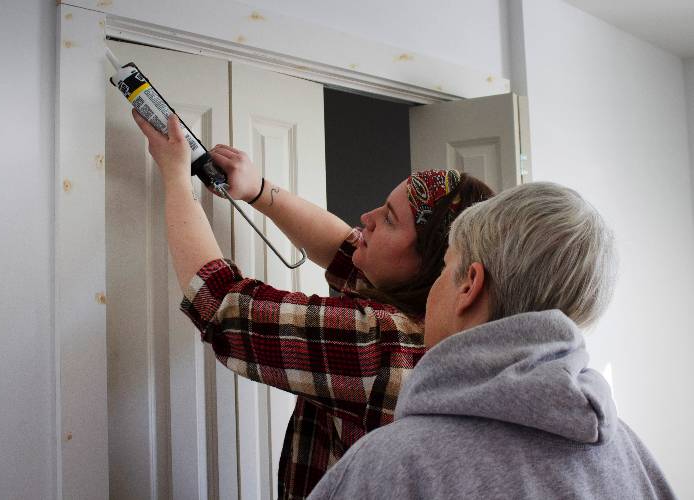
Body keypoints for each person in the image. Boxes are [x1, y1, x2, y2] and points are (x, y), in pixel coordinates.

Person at [131, 111, 494, 498]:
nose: (365, 219)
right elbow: (347, 248)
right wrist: (259, 190)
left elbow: (221, 303)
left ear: (428, 265)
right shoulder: (442, 317)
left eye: (388, 219)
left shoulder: (380, 342)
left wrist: (174, 175)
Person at [308, 182, 676, 499]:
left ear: (470, 284)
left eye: (444, 267)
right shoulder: (629, 455)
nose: (432, 288)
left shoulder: (395, 465)